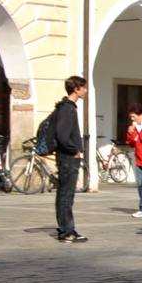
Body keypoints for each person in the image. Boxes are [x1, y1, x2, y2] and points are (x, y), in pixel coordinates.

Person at [53, 76, 88, 244]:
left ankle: (68, 229)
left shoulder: (67, 107)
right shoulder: (68, 109)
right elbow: (62, 135)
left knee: (65, 195)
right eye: (84, 88)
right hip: (68, 157)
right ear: (76, 89)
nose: (85, 91)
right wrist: (74, 150)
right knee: (66, 196)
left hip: (67, 156)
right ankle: (66, 232)